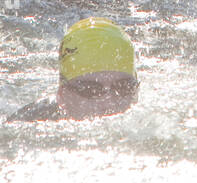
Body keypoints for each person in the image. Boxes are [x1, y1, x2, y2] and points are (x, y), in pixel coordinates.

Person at [6, 19, 139, 122]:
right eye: (91, 90)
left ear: (136, 92)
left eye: (123, 87)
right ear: (62, 96)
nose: (109, 102)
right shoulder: (25, 128)